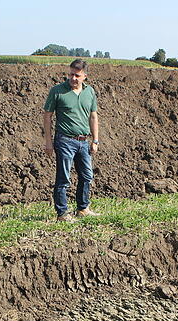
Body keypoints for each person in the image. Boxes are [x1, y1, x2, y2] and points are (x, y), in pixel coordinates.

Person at [43, 59, 100, 222]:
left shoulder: (89, 92)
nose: (73, 78)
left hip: (83, 141)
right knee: (63, 178)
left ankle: (83, 208)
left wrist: (95, 140)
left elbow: (93, 116)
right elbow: (47, 116)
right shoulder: (58, 91)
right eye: (71, 74)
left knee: (87, 176)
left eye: (77, 75)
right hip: (65, 140)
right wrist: (48, 141)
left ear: (85, 76)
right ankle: (62, 213)